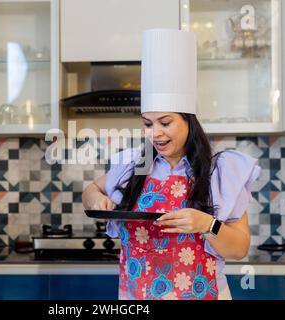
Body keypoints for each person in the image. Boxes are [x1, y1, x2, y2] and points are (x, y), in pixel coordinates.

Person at [82, 29, 261, 300]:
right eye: (147, 124)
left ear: (188, 120)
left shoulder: (221, 170)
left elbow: (239, 249)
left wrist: (207, 224)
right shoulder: (133, 165)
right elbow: (91, 190)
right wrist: (96, 199)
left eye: (165, 123)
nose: (156, 133)